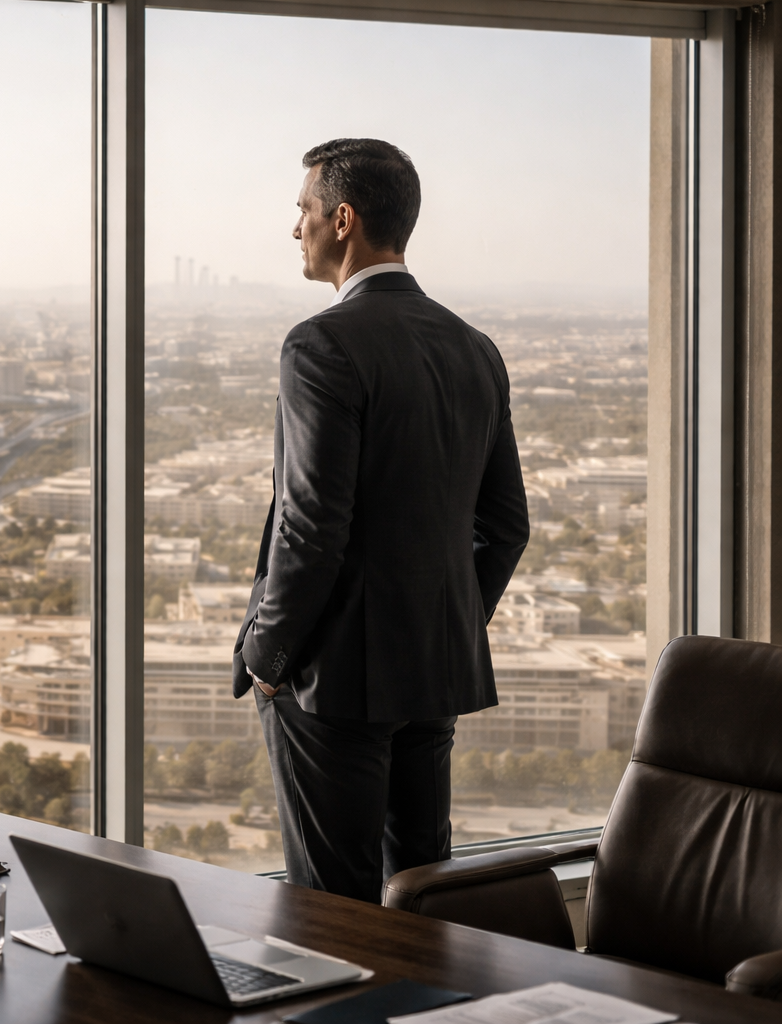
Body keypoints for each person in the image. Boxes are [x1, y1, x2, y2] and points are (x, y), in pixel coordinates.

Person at [233, 138, 530, 903]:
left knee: (336, 913)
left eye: (302, 210)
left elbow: (311, 528)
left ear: (343, 218)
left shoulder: (320, 345)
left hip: (332, 681)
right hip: (432, 672)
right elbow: (506, 527)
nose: (293, 227)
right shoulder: (477, 349)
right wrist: (444, 621)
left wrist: (267, 655)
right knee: (424, 898)